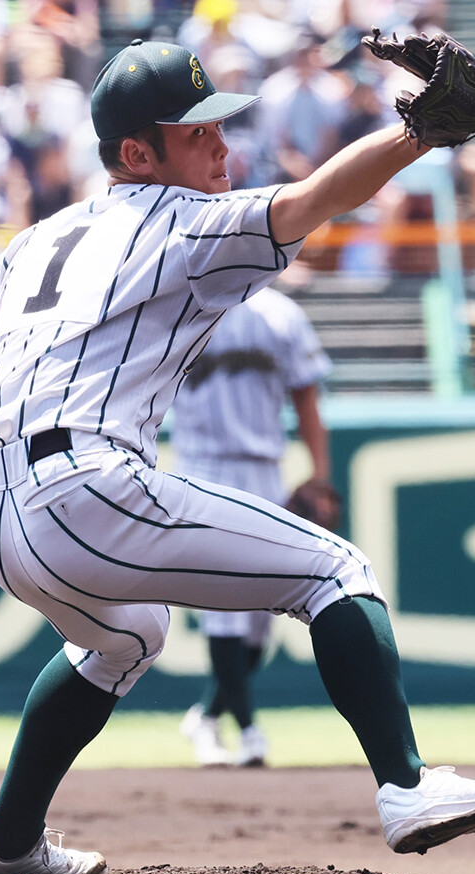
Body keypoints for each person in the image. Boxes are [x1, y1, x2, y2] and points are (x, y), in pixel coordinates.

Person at [0, 38, 475, 874]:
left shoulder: (38, 242)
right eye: (195, 135)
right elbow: (310, 200)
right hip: (85, 492)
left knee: (128, 638)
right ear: (137, 155)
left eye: (219, 126)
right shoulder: (180, 221)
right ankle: (406, 787)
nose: (219, 146)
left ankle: (6, 839)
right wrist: (416, 135)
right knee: (334, 571)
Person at [173, 285, 334, 768]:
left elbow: (306, 396)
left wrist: (320, 473)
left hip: (265, 467)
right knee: (223, 604)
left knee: (263, 617)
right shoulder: (179, 305)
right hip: (201, 467)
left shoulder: (281, 314)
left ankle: (206, 714)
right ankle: (248, 731)